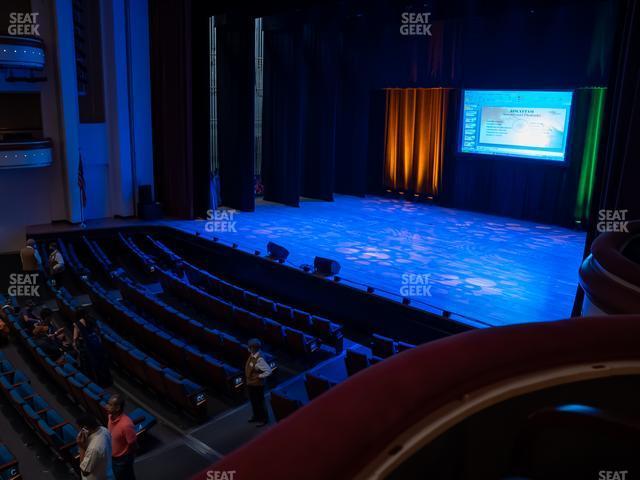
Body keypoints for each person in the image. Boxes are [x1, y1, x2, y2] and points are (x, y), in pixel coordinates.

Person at [106, 394, 137, 480]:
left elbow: (133, 444)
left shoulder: (126, 425)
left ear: (117, 408)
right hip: (113, 457)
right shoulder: (110, 417)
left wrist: (128, 459)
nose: (106, 406)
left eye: (110, 405)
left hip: (123, 459)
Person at [76, 414, 114, 480]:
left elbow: (85, 471)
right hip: (107, 471)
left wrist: (81, 447)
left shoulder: (94, 448)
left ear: (85, 428)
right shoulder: (103, 429)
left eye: (80, 428)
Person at [245, 338, 272, 427]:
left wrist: (259, 376)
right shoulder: (253, 354)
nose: (248, 348)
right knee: (254, 402)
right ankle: (256, 416)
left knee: (260, 402)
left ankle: (264, 419)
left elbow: (268, 371)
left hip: (257, 385)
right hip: (251, 384)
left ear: (254, 348)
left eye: (249, 347)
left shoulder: (260, 359)